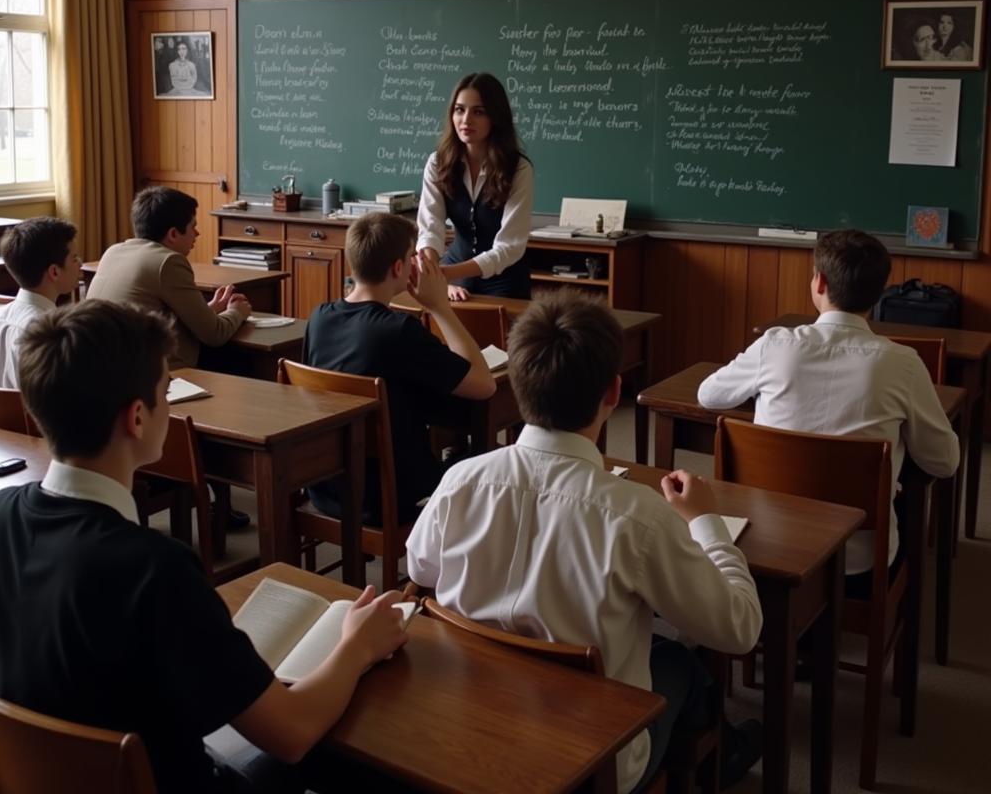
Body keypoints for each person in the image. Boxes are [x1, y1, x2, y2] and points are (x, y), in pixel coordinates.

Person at [0, 300, 408, 794]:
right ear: (137, 417)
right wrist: (357, 645)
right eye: (165, 391)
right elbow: (292, 734)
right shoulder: (156, 570)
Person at [407, 291, 763, 792]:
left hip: (466, 726)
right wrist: (705, 523)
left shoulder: (460, 480)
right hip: (587, 762)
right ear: (613, 393)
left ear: (518, 384)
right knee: (681, 661)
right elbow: (739, 628)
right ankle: (717, 761)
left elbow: (420, 572)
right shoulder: (638, 516)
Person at [698, 229, 959, 588]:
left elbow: (708, 396)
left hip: (764, 548)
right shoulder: (904, 364)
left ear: (819, 282)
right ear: (879, 294)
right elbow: (943, 462)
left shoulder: (775, 345)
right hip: (858, 564)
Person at [303, 212, 495, 524]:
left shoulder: (319, 317)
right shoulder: (398, 330)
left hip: (327, 483)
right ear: (398, 269)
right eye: (411, 258)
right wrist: (439, 307)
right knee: (489, 461)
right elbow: (484, 385)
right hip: (387, 492)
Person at [88, 186, 251, 369]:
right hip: (148, 375)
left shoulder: (113, 252)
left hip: (104, 366)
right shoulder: (168, 262)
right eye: (193, 227)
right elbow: (215, 335)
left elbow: (156, 312)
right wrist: (237, 311)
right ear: (173, 234)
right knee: (240, 358)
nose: (197, 234)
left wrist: (210, 310)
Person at [417, 72, 533, 300]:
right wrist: (433, 272)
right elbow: (430, 226)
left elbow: (509, 247)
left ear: (496, 118)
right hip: (452, 272)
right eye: (459, 110)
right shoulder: (438, 162)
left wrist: (444, 274)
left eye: (478, 112)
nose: (466, 120)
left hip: (504, 281)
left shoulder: (518, 169)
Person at [0, 216, 82, 388]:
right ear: (54, 272)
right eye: (75, 258)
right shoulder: (48, 333)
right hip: (26, 415)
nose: (80, 264)